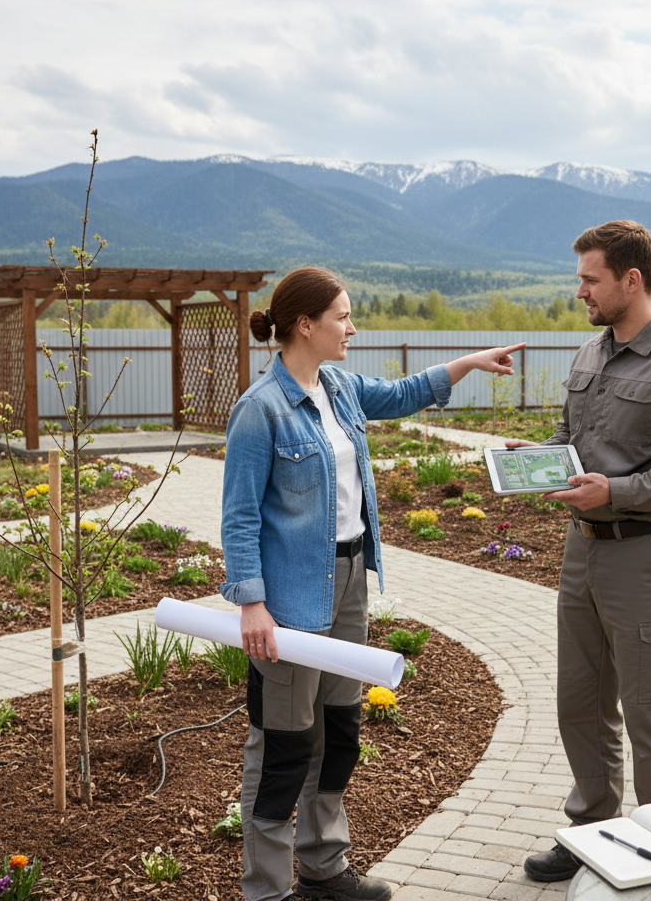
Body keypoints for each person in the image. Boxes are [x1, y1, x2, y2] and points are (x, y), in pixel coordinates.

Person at [220, 267, 524, 901]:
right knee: (282, 745)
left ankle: (324, 869)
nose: (352, 328)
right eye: (344, 317)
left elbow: (405, 392)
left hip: (351, 577)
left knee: (338, 732)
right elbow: (239, 515)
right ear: (306, 324)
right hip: (290, 597)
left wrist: (468, 362)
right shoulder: (261, 409)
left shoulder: (341, 386)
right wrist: (252, 603)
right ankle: (268, 890)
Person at [510, 221, 651, 883]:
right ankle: (592, 834)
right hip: (583, 555)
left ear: (632, 280)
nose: (580, 291)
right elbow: (572, 436)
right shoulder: (589, 354)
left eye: (589, 278)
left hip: (648, 558)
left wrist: (618, 490)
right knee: (580, 702)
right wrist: (540, 462)